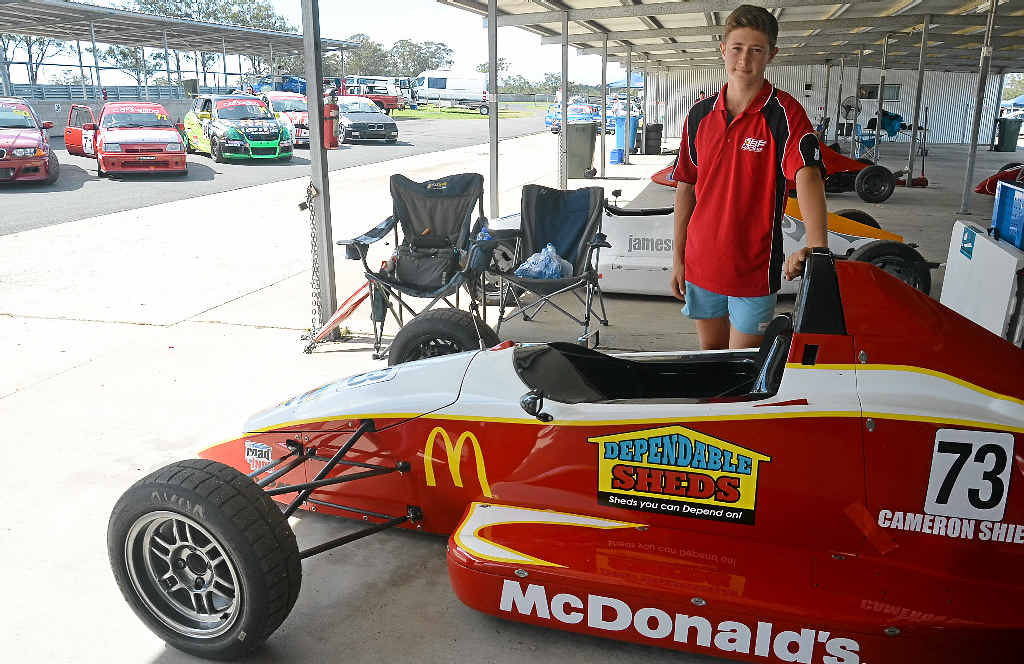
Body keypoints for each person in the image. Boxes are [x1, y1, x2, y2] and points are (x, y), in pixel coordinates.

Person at [670, 4, 827, 350]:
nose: (744, 60)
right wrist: (679, 258)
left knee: (742, 372)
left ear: (772, 54)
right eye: (737, 48)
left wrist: (816, 246)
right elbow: (686, 187)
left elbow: (808, 174)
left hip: (754, 269)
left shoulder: (784, 113)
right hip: (702, 264)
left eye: (756, 50)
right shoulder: (699, 115)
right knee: (709, 362)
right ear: (723, 50)